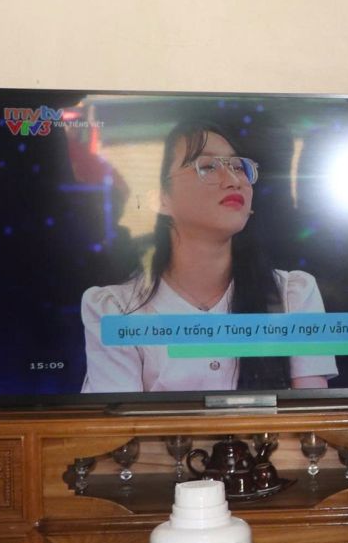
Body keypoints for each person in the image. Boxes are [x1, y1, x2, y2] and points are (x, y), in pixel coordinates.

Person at [80, 119, 335, 393]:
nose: (234, 180)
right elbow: (116, 419)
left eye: (239, 167)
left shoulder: (292, 295)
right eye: (208, 167)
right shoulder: (116, 310)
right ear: (161, 199)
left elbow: (311, 415)